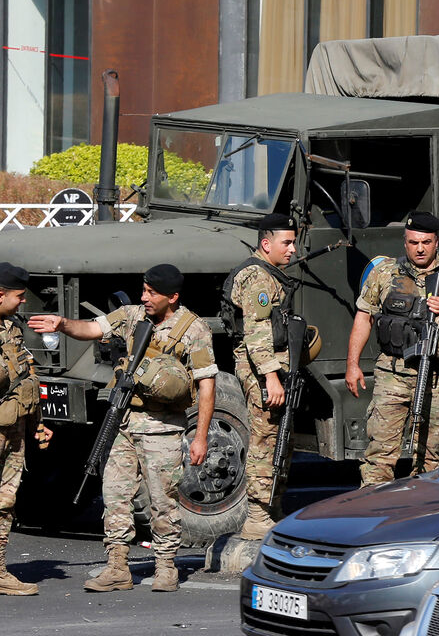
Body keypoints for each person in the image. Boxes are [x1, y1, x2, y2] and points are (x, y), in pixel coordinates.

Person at [30, 264, 216, 592]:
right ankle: (117, 566)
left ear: (172, 297)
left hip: (163, 428)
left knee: (163, 500)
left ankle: (166, 566)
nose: (144, 297)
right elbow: (93, 328)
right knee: (115, 495)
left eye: (152, 293)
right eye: (143, 290)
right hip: (124, 423)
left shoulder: (194, 329)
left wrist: (200, 437)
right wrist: (62, 324)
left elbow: (206, 385)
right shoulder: (132, 316)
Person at [347, 213, 439, 486]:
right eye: (413, 242)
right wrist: (352, 364)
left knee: (431, 458)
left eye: (426, 242)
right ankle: (373, 507)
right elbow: (364, 317)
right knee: (380, 455)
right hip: (393, 374)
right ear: (405, 241)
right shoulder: (385, 272)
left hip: (437, 379)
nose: (419, 248)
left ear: (436, 242)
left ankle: (424, 508)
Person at [222, 213, 297, 540]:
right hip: (261, 368)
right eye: (287, 243)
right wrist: (271, 376)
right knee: (265, 440)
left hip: (274, 365)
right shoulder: (257, 278)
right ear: (266, 244)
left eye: (293, 242)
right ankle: (256, 516)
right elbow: (257, 332)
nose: (293, 249)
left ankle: (273, 507)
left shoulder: (270, 273)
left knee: (281, 438)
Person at [0, 264, 52, 596]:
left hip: (13, 428)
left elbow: (25, 378)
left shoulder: (11, 327)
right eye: (19, 296)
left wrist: (38, 423)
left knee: (5, 502)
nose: (23, 302)